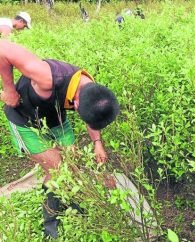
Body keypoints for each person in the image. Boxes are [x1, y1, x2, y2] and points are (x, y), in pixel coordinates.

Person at [0, 39, 120, 238]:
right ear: (77, 101)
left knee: (71, 165)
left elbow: (92, 115)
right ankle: (50, 224)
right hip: (25, 122)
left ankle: (68, 202)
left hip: (55, 119)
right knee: (56, 169)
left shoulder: (92, 90)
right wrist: (10, 90)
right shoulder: (47, 77)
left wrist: (97, 143)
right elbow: (3, 49)